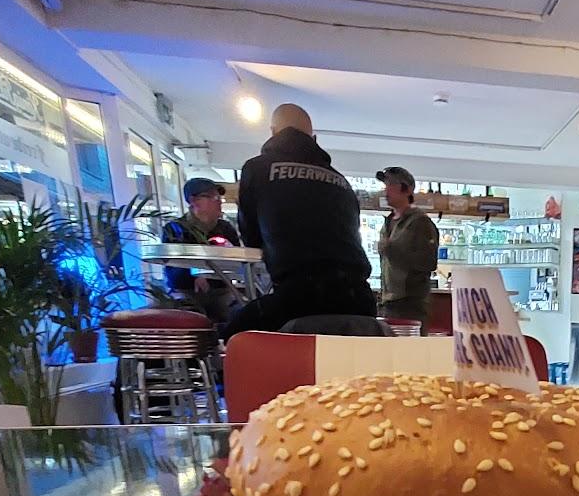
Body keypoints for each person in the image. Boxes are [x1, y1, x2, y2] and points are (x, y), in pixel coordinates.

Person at [224, 103, 374, 337]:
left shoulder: (257, 169)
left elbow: (251, 238)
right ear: (314, 138)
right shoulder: (341, 180)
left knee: (232, 335)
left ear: (273, 132)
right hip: (361, 302)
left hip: (297, 299)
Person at [161, 177, 241, 322]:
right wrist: (195, 274)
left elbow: (236, 260)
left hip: (222, 291)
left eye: (219, 197)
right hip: (186, 292)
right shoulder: (175, 229)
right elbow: (173, 269)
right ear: (193, 200)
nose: (219, 202)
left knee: (239, 313)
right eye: (213, 197)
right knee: (187, 314)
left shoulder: (225, 228)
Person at [376, 165, 439, 333]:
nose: (385, 190)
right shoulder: (388, 222)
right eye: (385, 185)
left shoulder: (419, 222)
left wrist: (392, 251)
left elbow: (428, 262)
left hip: (410, 305)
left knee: (410, 356)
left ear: (406, 189)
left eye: (391, 185)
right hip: (388, 303)